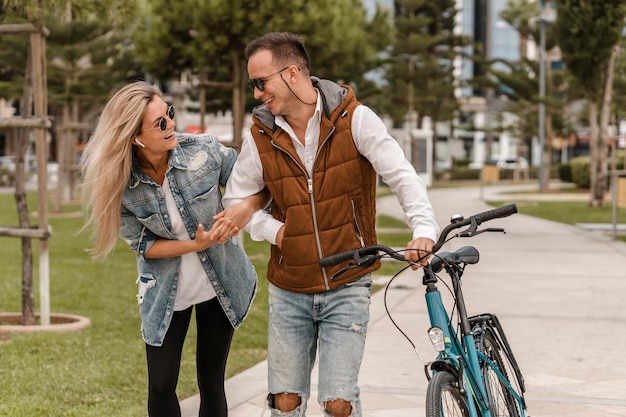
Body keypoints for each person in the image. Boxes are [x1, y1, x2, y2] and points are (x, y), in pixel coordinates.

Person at [222, 32, 439, 417]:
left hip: (348, 281)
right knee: (285, 401)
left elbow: (401, 175)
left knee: (339, 403)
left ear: (291, 73)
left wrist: (423, 230)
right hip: (289, 287)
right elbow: (235, 201)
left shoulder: (355, 119)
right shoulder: (260, 135)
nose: (256, 94)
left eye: (260, 83)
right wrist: (279, 232)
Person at [80, 81, 268, 417]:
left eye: (169, 113)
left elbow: (256, 183)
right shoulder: (122, 182)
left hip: (219, 283)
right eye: (160, 123)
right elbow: (144, 245)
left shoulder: (205, 150)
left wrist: (243, 210)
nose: (171, 125)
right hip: (166, 291)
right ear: (135, 137)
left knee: (211, 381)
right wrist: (194, 244)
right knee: (161, 384)